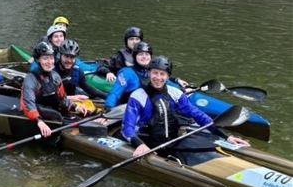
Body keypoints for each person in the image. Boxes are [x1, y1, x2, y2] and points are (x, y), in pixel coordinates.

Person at [121, 55, 249, 160]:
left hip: (173, 140)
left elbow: (197, 114)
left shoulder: (175, 93)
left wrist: (226, 136)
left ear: (167, 76)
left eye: (162, 74)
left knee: (205, 145)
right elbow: (127, 128)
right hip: (148, 143)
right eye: (155, 73)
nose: (158, 78)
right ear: (149, 73)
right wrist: (139, 144)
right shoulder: (137, 96)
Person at [20, 41, 89, 138]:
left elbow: (62, 98)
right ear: (38, 60)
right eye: (45, 58)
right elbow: (28, 102)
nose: (49, 62)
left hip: (53, 110)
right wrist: (39, 121)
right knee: (56, 115)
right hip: (38, 112)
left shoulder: (55, 76)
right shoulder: (31, 78)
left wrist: (75, 107)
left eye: (51, 58)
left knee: (81, 118)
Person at [101, 41, 153, 110]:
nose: (144, 57)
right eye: (140, 54)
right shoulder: (126, 73)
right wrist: (108, 108)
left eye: (147, 54)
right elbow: (115, 93)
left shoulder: (153, 73)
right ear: (135, 56)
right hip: (127, 112)